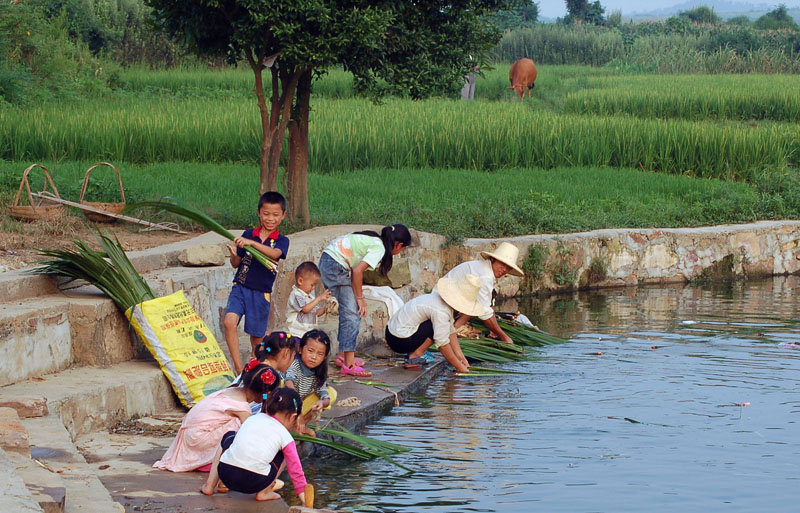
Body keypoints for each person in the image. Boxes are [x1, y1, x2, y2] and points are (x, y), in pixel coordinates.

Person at [319, 224, 412, 377]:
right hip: (334, 266)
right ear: (398, 244)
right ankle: (348, 364)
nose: (400, 252)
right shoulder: (380, 249)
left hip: (330, 261)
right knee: (353, 313)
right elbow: (357, 271)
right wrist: (360, 298)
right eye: (403, 249)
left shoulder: (375, 240)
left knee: (349, 310)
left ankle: (343, 355)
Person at [154, 362, 281, 473]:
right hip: (197, 438)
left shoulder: (233, 390)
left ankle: (204, 459)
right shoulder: (242, 408)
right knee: (241, 426)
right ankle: (209, 460)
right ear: (266, 393)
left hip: (190, 434)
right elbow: (252, 435)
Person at [200, 388, 308, 507]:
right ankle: (265, 492)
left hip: (226, 474)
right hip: (255, 482)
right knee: (284, 454)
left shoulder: (252, 418)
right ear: (292, 417)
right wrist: (305, 501)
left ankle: (209, 485)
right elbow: (296, 471)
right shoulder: (285, 436)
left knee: (229, 436)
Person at [223, 191, 290, 374]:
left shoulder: (281, 241)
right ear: (259, 213)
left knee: (256, 340)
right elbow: (237, 263)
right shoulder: (248, 234)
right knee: (229, 322)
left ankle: (257, 372)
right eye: (266, 214)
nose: (270, 218)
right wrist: (234, 256)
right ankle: (238, 369)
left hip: (261, 294)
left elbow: (275, 255)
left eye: (276, 215)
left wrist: (251, 244)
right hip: (240, 287)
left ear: (283, 216)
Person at [385, 274, 487, 374]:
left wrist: (461, 358)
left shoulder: (440, 301)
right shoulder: (441, 310)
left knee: (442, 326)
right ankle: (415, 356)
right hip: (398, 340)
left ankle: (415, 352)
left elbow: (450, 330)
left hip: (393, 333)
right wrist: (459, 367)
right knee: (436, 328)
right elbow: (442, 343)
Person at [445, 242, 524, 343]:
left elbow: (486, 303)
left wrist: (493, 328)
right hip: (447, 305)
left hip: (457, 303)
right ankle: (455, 328)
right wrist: (504, 336)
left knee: (476, 302)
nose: (504, 270)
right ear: (493, 259)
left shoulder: (485, 270)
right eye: (502, 264)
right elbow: (484, 311)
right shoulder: (485, 276)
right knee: (477, 305)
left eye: (508, 267)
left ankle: (457, 326)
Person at [285, 329, 337, 436]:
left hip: (298, 410)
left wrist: (322, 403)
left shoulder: (319, 373)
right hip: (287, 406)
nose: (314, 357)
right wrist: (298, 409)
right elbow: (289, 384)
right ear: (300, 349)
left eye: (320, 354)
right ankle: (294, 425)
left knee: (331, 393)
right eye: (310, 351)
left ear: (324, 357)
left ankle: (299, 425)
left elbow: (325, 396)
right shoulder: (295, 365)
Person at [231, 331, 297, 415]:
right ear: (286, 353)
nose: (293, 361)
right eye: (293, 355)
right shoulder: (269, 377)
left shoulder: (255, 366)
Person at [285, 261, 332, 338]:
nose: (313, 288)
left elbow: (315, 312)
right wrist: (319, 298)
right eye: (312, 285)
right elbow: (305, 309)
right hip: (295, 333)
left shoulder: (309, 297)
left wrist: (326, 309)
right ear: (300, 281)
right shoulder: (296, 294)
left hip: (306, 334)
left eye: (315, 285)